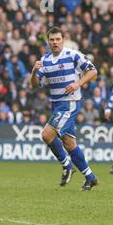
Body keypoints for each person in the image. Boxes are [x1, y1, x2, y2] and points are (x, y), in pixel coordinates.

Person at [30, 26, 99, 191]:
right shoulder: (45, 60)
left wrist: (77, 83)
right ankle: (91, 177)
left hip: (69, 103)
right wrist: (33, 72)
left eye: (57, 39)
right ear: (48, 42)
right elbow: (34, 86)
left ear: (63, 40)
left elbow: (93, 71)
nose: (55, 42)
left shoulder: (72, 55)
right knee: (69, 143)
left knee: (47, 135)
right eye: (52, 40)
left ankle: (67, 166)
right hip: (56, 105)